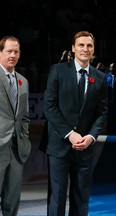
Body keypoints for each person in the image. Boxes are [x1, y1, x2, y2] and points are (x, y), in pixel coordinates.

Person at [42, 31, 108, 216]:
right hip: (59, 147)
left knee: (81, 198)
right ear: (73, 48)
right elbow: (49, 106)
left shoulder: (100, 77)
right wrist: (70, 134)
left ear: (93, 49)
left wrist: (91, 137)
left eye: (89, 46)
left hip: (85, 148)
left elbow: (102, 113)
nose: (85, 49)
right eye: (81, 45)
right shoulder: (58, 70)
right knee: (57, 198)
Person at [0, 36, 31, 216]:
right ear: (0, 52)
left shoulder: (23, 81)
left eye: (16, 52)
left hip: (17, 149)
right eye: (9, 51)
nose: (13, 55)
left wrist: (24, 137)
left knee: (12, 198)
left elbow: (24, 116)